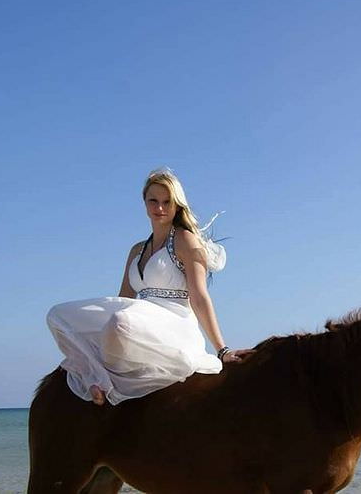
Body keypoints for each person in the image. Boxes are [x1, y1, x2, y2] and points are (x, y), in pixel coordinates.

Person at [47, 168, 254, 406]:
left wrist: (222, 349)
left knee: (121, 322)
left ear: (177, 205)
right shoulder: (137, 250)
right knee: (58, 315)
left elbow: (199, 297)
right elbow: (123, 297)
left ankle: (108, 381)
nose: (160, 208)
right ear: (144, 203)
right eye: (153, 201)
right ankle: (96, 377)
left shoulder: (185, 240)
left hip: (174, 322)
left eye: (167, 202)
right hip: (137, 318)